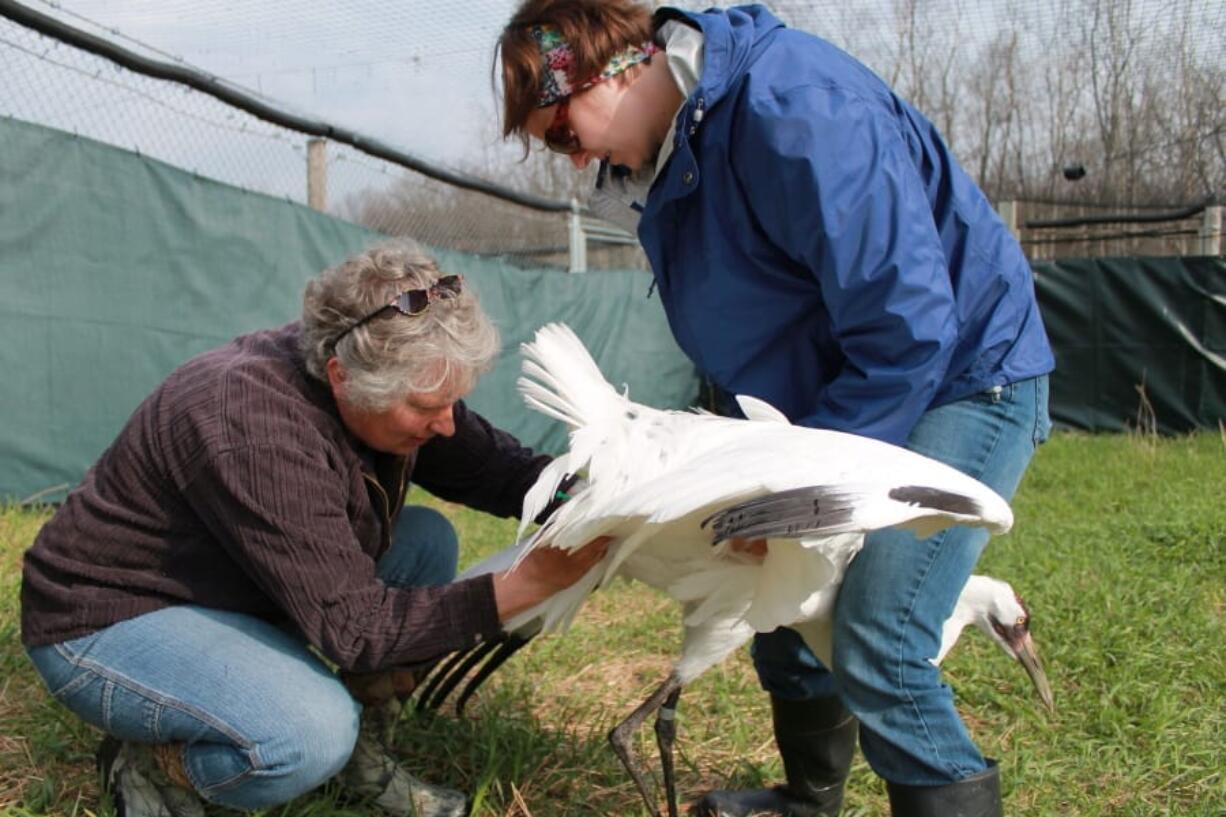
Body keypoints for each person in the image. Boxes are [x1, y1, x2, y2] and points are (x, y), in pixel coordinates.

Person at [496, 3, 1054, 816]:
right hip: (835, 394)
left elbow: (907, 325)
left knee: (878, 631)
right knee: (784, 605)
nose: (571, 159)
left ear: (610, 67)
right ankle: (809, 798)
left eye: (561, 132)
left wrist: (791, 497)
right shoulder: (670, 166)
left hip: (958, 376)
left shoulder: (790, 107)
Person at [20, 240, 608, 817]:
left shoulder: (380, 366)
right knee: (307, 735)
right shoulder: (253, 425)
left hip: (220, 586)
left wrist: (595, 500)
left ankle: (363, 755)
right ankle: (156, 763)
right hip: (112, 618)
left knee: (427, 541)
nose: (447, 425)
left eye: (453, 400)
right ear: (342, 376)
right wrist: (528, 582)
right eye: (427, 406)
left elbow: (496, 469)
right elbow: (355, 631)